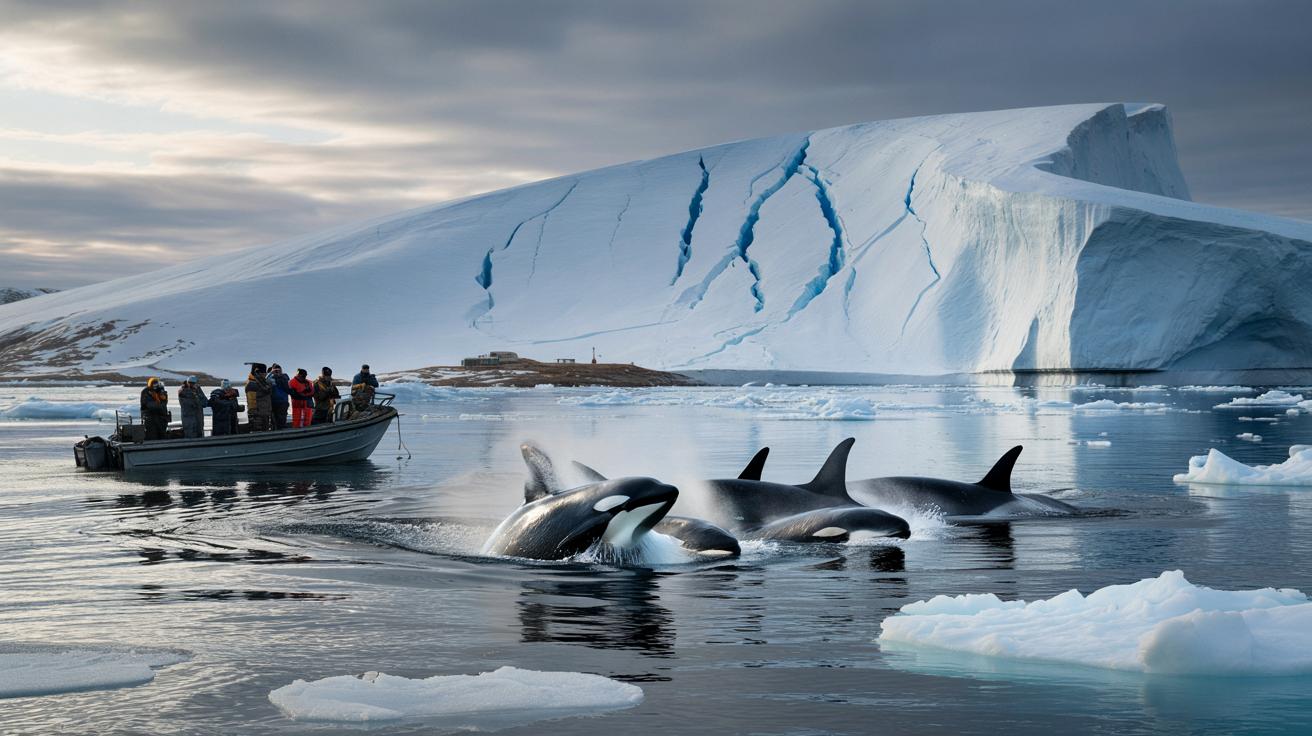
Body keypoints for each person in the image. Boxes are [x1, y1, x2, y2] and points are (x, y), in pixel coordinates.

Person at [245, 363, 273, 432]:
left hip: (264, 412)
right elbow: (252, 401)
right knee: (258, 432)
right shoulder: (252, 383)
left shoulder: (262, 381)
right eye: (263, 373)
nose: (265, 374)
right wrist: (254, 413)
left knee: (265, 432)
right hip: (257, 414)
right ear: (258, 372)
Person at [268, 363, 291, 430]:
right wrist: (271, 374)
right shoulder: (270, 377)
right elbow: (265, 381)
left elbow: (288, 388)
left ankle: (282, 432)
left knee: (282, 420)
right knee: (273, 420)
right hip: (272, 401)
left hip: (282, 401)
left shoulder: (285, 377)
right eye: (275, 370)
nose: (277, 371)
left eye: (278, 370)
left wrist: (280, 376)